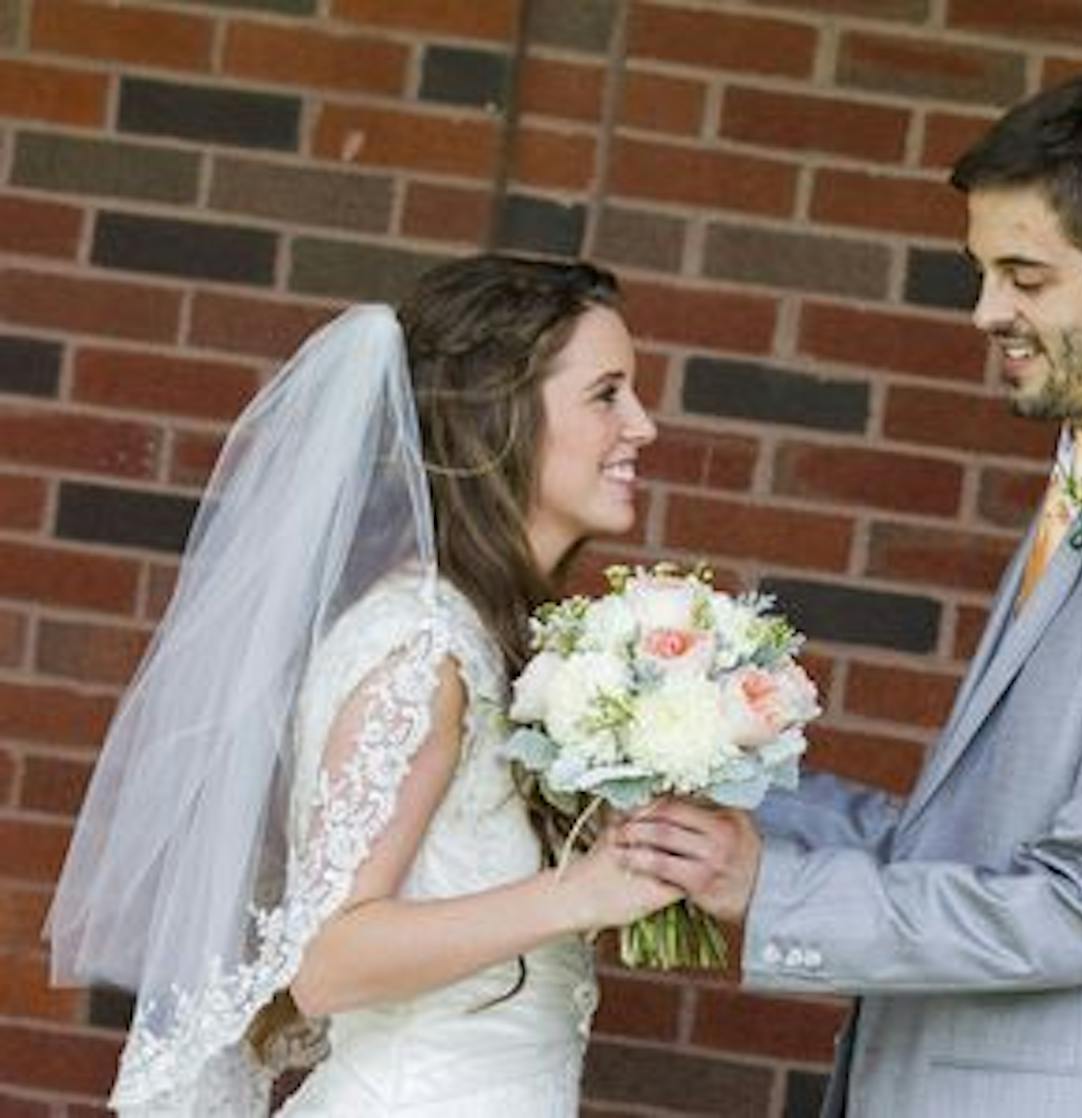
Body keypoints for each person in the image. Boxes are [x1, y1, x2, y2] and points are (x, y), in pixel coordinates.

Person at [620, 72, 1082, 1117]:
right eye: (981, 270)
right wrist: (717, 775)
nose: (985, 309)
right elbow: (972, 843)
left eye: (1023, 276)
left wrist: (774, 889)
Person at [47, 254, 676, 1115]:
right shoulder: (424, 648)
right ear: (503, 417)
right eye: (608, 394)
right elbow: (328, 958)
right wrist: (580, 892)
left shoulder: (496, 639)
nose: (642, 425)